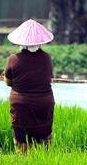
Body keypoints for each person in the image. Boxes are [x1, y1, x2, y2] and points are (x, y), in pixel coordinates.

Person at [3, 19, 55, 152]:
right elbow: (46, 78)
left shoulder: (13, 59)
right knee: (44, 140)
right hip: (44, 104)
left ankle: (23, 164)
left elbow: (9, 82)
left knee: (20, 141)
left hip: (21, 105)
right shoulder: (46, 58)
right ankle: (42, 164)